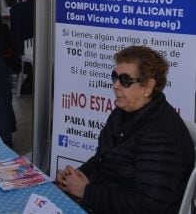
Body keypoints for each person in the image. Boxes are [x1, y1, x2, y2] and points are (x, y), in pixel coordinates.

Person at [57, 45, 195, 213]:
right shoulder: (123, 112)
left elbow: (148, 205)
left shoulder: (160, 135)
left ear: (148, 87)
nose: (116, 85)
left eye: (125, 80)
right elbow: (103, 159)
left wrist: (86, 191)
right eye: (115, 77)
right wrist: (73, 178)